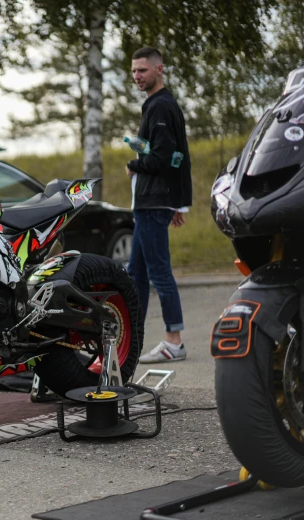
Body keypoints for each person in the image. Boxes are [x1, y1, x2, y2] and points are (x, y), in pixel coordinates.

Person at [125, 47, 192, 363]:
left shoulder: (161, 106)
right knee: (135, 272)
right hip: (152, 202)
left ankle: (174, 341)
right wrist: (179, 203)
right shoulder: (158, 105)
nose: (137, 76)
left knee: (158, 272)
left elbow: (165, 158)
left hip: (153, 203)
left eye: (143, 70)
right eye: (134, 71)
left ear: (159, 69)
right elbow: (175, 153)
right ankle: (132, 341)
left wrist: (134, 164)